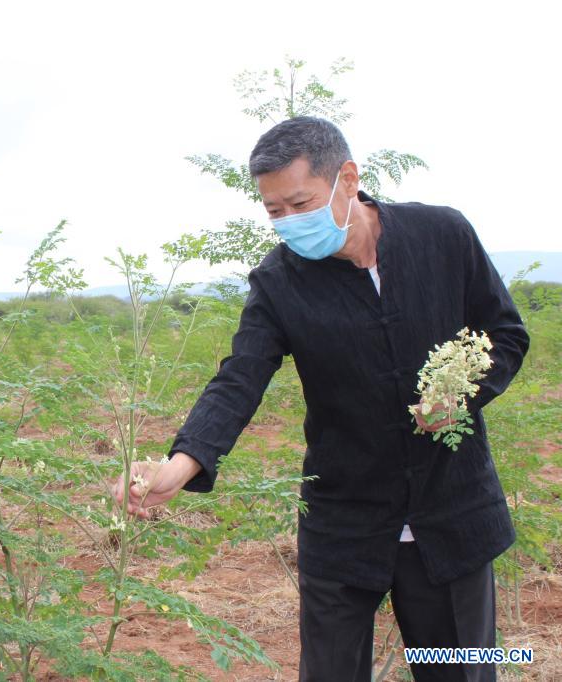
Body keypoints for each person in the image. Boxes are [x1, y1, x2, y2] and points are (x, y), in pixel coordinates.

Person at [114, 117, 529, 681]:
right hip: (345, 522)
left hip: (452, 515)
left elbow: (504, 335)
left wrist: (461, 395)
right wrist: (181, 464)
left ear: (348, 179)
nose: (288, 222)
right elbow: (240, 377)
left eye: (300, 202)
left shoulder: (443, 236)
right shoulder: (279, 281)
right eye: (274, 211)